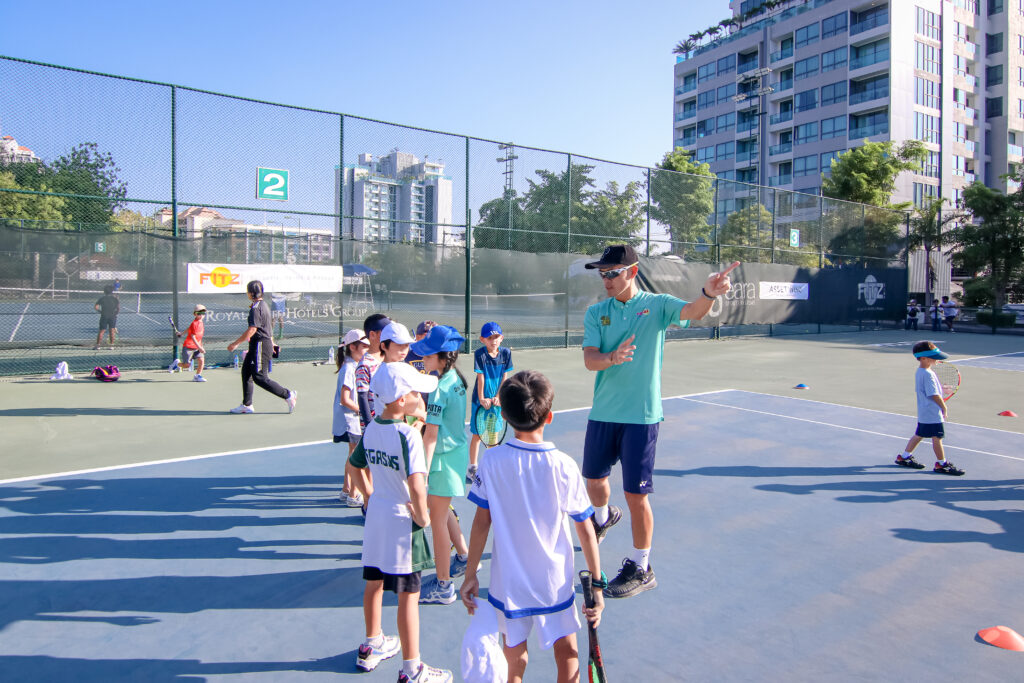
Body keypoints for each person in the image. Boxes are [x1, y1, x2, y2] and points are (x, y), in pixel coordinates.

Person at [581, 244, 737, 599]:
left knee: (636, 495)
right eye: (602, 273)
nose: (605, 279)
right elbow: (591, 360)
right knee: (593, 481)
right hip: (603, 413)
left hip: (641, 417)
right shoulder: (596, 313)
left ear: (632, 272)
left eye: (612, 273)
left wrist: (708, 293)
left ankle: (641, 565)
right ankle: (602, 518)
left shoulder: (658, 305)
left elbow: (694, 311)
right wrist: (612, 357)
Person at [460, 369, 603, 683]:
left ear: (507, 419)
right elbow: (585, 529)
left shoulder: (491, 461)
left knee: (515, 660)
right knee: (568, 657)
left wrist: (470, 575)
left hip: (508, 584)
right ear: (549, 417)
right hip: (554, 583)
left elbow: (481, 524)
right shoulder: (564, 465)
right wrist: (597, 584)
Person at [348, 362, 453, 683]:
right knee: (408, 594)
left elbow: (355, 468)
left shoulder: (373, 429)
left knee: (374, 583)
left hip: (378, 516)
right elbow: (418, 487)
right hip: (404, 524)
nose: (420, 394)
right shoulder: (409, 437)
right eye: (414, 391)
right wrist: (422, 518)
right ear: (400, 399)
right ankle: (412, 669)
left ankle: (372, 643)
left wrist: (369, 497)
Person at [409, 324, 472, 605]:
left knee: (436, 524)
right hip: (454, 456)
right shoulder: (456, 379)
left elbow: (431, 436)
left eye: (428, 354)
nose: (423, 357)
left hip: (442, 462)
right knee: (442, 511)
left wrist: (420, 473)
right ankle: (464, 556)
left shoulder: (439, 389)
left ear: (443, 356)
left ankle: (444, 585)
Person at [894, 341, 965, 476]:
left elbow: (930, 391)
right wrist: (944, 407)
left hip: (925, 412)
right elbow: (933, 395)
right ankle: (942, 464)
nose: (937, 359)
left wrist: (942, 389)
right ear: (924, 358)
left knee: (919, 434)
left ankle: (904, 457)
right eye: (934, 356)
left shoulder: (921, 371)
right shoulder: (928, 374)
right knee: (937, 438)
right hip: (932, 413)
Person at [226, 280, 297, 414]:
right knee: (246, 372)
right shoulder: (263, 305)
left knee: (260, 377)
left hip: (260, 345)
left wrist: (235, 343)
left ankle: (288, 395)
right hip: (260, 344)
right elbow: (267, 326)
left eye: (248, 291)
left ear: (251, 293)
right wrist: (273, 342)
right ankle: (247, 405)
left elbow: (253, 329)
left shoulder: (256, 308)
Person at [467, 322, 514, 484]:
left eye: (496, 337)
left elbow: (505, 377)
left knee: (493, 434)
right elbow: (481, 377)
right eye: (489, 338)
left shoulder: (506, 354)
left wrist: (499, 396)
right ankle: (472, 468)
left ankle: (492, 466)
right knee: (478, 435)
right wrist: (482, 398)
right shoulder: (480, 354)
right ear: (482, 339)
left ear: (501, 338)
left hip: (496, 402)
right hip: (479, 401)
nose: (493, 341)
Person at [335, 328, 369, 507]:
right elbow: (345, 399)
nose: (367, 350)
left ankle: (346, 489)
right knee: (357, 458)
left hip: (351, 420)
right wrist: (363, 411)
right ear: (353, 347)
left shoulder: (351, 365)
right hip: (351, 421)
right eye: (364, 347)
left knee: (351, 455)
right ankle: (354, 494)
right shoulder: (349, 368)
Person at [171, 304, 207, 382]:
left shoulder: (200, 322)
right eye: (199, 313)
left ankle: (197, 376)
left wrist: (181, 333)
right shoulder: (195, 323)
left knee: (201, 360)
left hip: (197, 347)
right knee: (187, 365)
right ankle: (176, 364)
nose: (201, 315)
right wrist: (200, 347)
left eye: (203, 313)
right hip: (188, 347)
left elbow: (189, 328)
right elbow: (192, 336)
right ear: (195, 314)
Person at [93, 284, 119, 350]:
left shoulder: (102, 298)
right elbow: (118, 308)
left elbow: (96, 307)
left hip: (104, 316)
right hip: (112, 316)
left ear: (104, 291)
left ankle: (98, 346)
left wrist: (101, 311)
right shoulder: (115, 299)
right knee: (112, 331)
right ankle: (111, 346)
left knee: (101, 331)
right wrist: (115, 314)